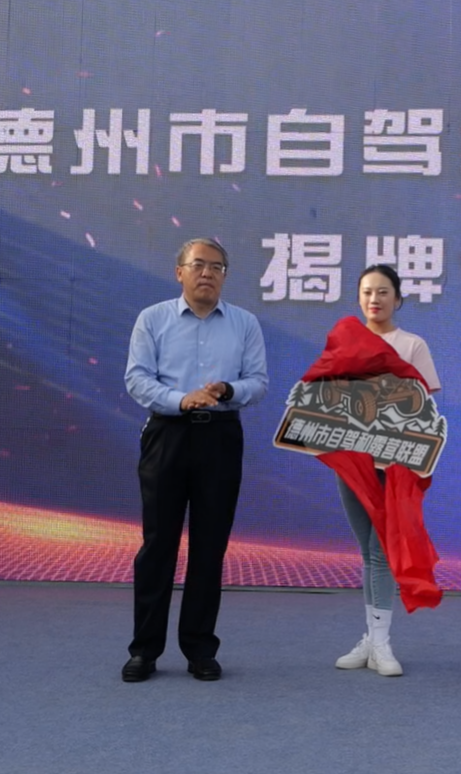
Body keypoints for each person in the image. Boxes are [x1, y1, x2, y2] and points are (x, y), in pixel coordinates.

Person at [121, 237, 268, 683]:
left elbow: (258, 382)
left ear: (225, 276)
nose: (208, 273)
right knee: (158, 545)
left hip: (220, 437)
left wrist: (228, 390)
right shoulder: (153, 319)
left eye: (217, 267)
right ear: (179, 272)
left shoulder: (244, 323)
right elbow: (137, 379)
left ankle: (200, 649)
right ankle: (144, 650)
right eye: (199, 264)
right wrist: (180, 399)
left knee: (210, 546)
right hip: (168, 434)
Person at [333, 264, 441, 677]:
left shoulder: (412, 345)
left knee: (381, 552)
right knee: (368, 552)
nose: (374, 299)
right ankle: (371, 638)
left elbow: (424, 410)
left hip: (394, 466)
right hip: (352, 463)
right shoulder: (345, 340)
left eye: (382, 292)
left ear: (398, 299)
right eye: (366, 292)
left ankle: (380, 643)